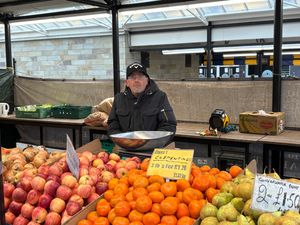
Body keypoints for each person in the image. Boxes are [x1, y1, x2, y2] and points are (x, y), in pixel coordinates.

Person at [107, 62, 177, 135]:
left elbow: (169, 125)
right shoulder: (119, 99)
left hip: (152, 145)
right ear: (127, 82)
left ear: (147, 80)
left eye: (140, 76)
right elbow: (112, 124)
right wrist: (122, 139)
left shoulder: (160, 97)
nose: (136, 80)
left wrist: (151, 141)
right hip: (124, 145)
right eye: (133, 77)